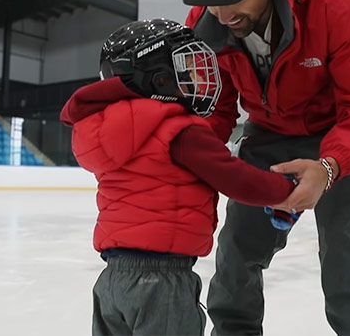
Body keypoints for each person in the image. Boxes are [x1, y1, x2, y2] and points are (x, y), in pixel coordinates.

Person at [183, 0, 350, 335]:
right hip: (266, 134)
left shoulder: (336, 3)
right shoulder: (207, 20)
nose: (222, 12)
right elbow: (214, 106)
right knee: (235, 252)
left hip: (339, 137)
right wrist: (197, 155)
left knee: (348, 259)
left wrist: (331, 166)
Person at [60, 18, 302, 336]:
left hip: (112, 280)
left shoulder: (109, 132)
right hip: (162, 282)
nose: (196, 79)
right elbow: (235, 178)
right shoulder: (179, 130)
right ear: (159, 81)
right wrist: (285, 189)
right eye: (185, 72)